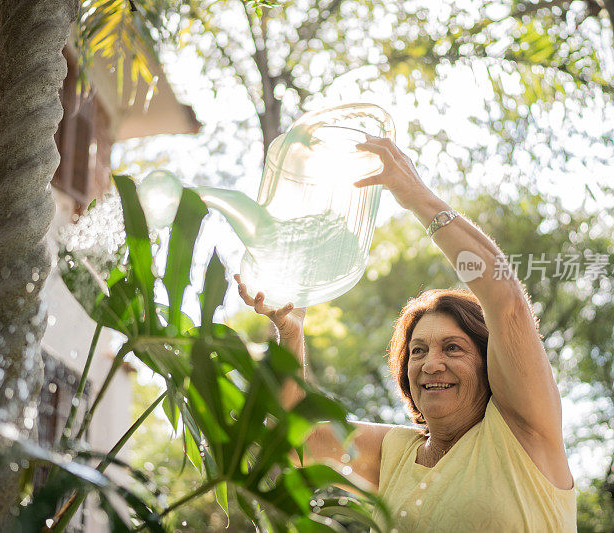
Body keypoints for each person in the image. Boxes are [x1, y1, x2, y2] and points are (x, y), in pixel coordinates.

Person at [234, 135, 577, 531]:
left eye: (453, 347)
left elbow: (506, 299)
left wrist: (413, 194)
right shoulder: (396, 452)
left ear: (490, 365)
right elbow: (289, 438)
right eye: (417, 351)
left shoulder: (521, 430)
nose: (432, 364)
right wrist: (291, 335)